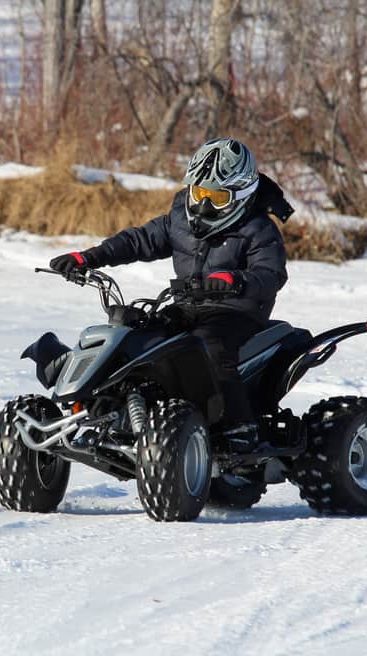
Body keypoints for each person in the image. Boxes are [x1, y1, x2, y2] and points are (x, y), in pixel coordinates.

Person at [49, 138, 293, 452]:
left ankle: (239, 429)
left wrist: (233, 280)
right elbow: (139, 240)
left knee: (211, 349)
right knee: (138, 336)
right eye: (200, 193)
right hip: (187, 306)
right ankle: (112, 412)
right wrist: (90, 257)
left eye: (216, 198)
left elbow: (271, 275)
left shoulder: (259, 229)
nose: (204, 206)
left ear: (241, 195)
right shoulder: (180, 217)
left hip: (236, 313)